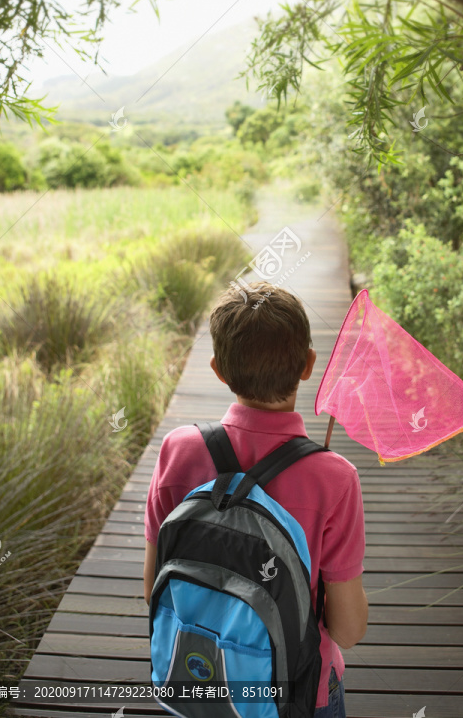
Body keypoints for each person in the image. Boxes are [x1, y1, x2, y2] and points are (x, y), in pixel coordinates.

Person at [143, 280, 368, 717]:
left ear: (218, 370)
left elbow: (152, 586)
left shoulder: (177, 449)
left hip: (197, 681)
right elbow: (348, 629)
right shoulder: (335, 478)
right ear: (307, 365)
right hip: (299, 695)